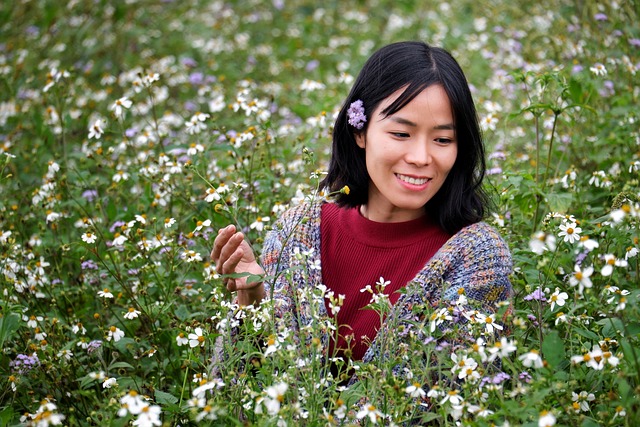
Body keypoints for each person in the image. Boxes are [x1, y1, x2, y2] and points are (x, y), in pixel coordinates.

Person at [211, 41, 512, 369]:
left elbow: (453, 401)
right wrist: (252, 300)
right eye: (401, 133)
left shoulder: (477, 258)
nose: (421, 158)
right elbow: (241, 389)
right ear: (360, 130)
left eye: (442, 140)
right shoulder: (296, 230)